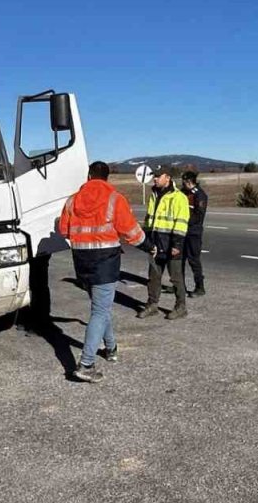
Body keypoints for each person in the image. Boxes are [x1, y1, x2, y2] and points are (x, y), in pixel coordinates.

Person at [57, 161, 153, 383]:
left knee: (101, 306)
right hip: (106, 262)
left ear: (89, 176)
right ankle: (86, 364)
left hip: (81, 262)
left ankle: (111, 348)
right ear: (107, 177)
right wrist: (149, 247)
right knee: (100, 311)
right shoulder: (114, 199)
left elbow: (64, 229)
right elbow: (131, 232)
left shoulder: (72, 200)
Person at [139, 168, 191, 320]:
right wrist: (146, 241)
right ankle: (152, 305)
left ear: (167, 177)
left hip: (171, 244)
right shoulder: (154, 195)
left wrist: (177, 245)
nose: (154, 179)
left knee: (176, 278)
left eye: (157, 176)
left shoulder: (179, 197)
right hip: (155, 244)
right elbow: (149, 220)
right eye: (154, 176)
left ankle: (181, 307)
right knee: (153, 277)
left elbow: (181, 223)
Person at [180, 171, 209, 297]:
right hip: (181, 231)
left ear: (189, 181)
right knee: (179, 260)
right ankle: (179, 286)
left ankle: (199, 287)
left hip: (193, 232)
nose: (183, 184)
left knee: (193, 260)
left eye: (184, 181)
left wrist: (184, 220)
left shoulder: (200, 195)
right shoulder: (183, 193)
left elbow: (198, 215)